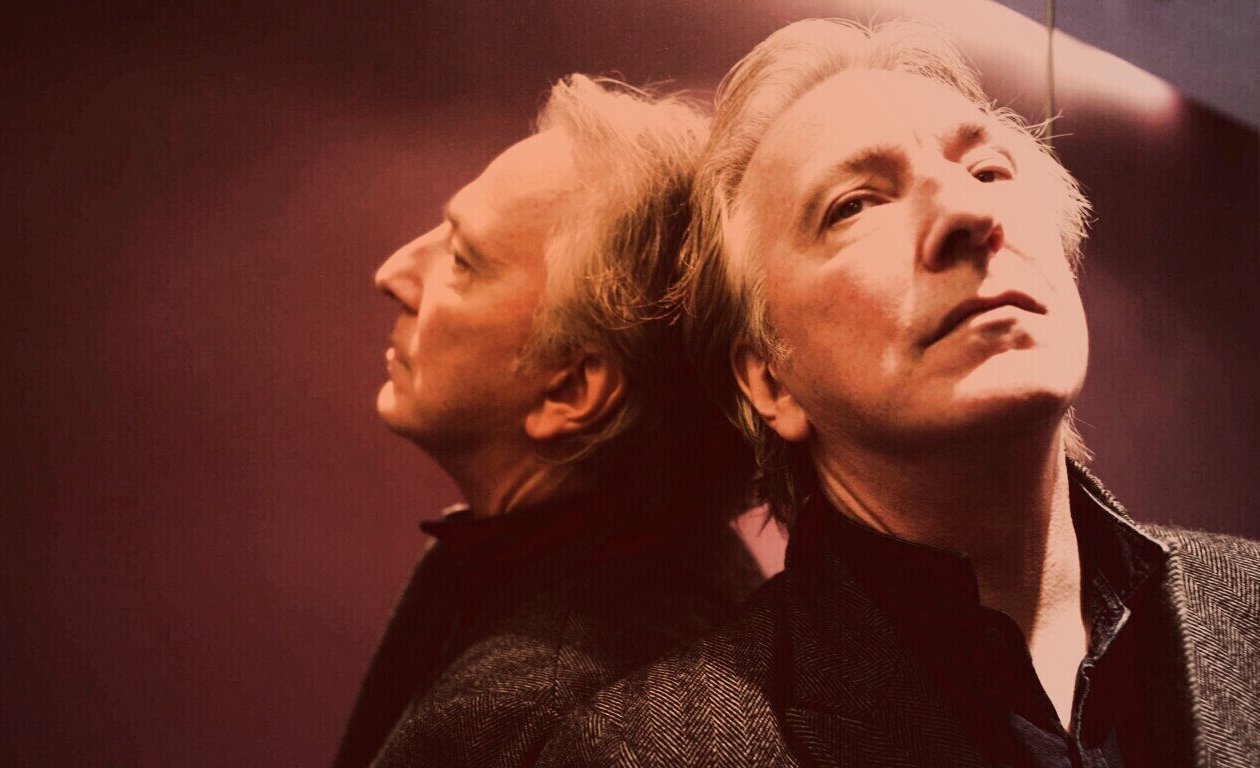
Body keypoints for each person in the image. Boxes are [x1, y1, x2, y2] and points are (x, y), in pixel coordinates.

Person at [538, 20, 1259, 768]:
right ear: (771, 380)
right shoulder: (654, 751)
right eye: (855, 204)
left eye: (988, 172)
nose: (971, 215)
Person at [334, 75, 764, 767]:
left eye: (462, 260)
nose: (394, 272)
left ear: (570, 389)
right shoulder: (697, 574)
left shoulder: (525, 721)